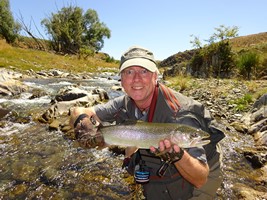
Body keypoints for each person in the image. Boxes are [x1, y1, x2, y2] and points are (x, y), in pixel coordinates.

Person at [70, 46, 225, 199]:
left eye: (144, 71)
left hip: (202, 170)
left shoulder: (181, 114)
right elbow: (78, 111)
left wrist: (178, 155)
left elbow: (200, 179)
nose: (137, 78)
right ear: (121, 79)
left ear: (155, 76)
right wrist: (83, 125)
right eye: (129, 72)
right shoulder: (123, 102)